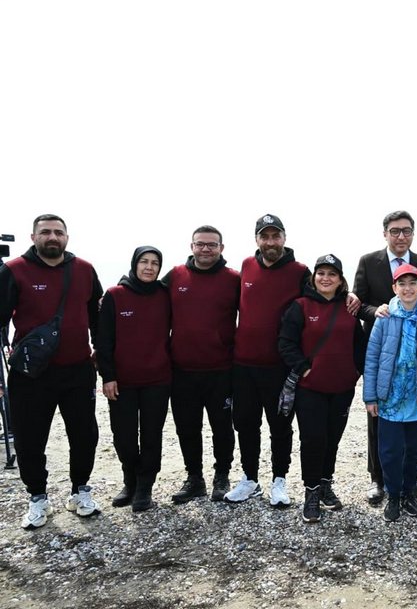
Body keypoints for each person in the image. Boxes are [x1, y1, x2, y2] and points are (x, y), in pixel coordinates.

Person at [0, 214, 103, 529]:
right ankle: (37, 496)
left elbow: (97, 316)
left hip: (77, 370)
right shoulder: (14, 270)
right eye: (45, 232)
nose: (52, 237)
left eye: (59, 232)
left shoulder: (84, 269)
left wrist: (100, 349)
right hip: (30, 373)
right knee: (30, 439)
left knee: (85, 435)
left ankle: (80, 490)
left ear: (67, 237)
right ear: (33, 237)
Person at [226, 214, 311, 507]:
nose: (270, 242)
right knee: (245, 423)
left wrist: (349, 298)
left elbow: (318, 302)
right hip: (244, 364)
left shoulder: (300, 271)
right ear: (257, 240)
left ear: (284, 238)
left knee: (280, 425)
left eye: (276, 236)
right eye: (265, 236)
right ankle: (250, 479)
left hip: (279, 366)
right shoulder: (247, 266)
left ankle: (279, 480)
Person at [353, 210, 417, 505]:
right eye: (395, 231)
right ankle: (378, 479)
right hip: (381, 351)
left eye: (406, 230)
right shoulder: (368, 261)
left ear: (413, 233)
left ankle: (409, 478)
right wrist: (375, 311)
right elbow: (358, 303)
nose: (401, 236)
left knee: (413, 418)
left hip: (415, 356)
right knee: (378, 415)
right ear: (385, 233)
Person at [278, 254, 366, 523]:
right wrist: (305, 369)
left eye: (332, 274)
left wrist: (355, 371)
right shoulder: (300, 306)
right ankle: (312, 491)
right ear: (313, 277)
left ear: (340, 280)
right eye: (321, 273)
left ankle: (326, 484)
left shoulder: (349, 308)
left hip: (342, 388)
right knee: (313, 439)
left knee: (332, 438)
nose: (325, 278)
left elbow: (360, 345)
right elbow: (286, 343)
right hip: (310, 387)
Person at [363, 263, 417, 523]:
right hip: (390, 398)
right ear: (394, 288)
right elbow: (372, 359)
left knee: (414, 450)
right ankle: (393, 495)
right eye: (402, 283)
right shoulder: (384, 318)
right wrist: (370, 397)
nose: (407, 288)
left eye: (413, 283)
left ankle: (409, 492)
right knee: (389, 451)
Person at [162, 225, 240, 504]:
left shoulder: (233, 279)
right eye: (200, 244)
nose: (206, 249)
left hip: (221, 370)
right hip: (182, 370)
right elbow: (145, 292)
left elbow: (258, 310)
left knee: (222, 427)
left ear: (221, 248)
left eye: (212, 244)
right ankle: (194, 478)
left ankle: (222, 476)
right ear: (191, 246)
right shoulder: (175, 276)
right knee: (187, 428)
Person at [96, 246, 171, 512]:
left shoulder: (165, 294)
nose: (149, 267)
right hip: (122, 382)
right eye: (144, 262)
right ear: (134, 264)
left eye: (155, 263)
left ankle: (144, 487)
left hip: (158, 380)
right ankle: (130, 480)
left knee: (151, 435)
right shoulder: (115, 295)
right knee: (124, 436)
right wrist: (108, 376)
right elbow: (103, 339)